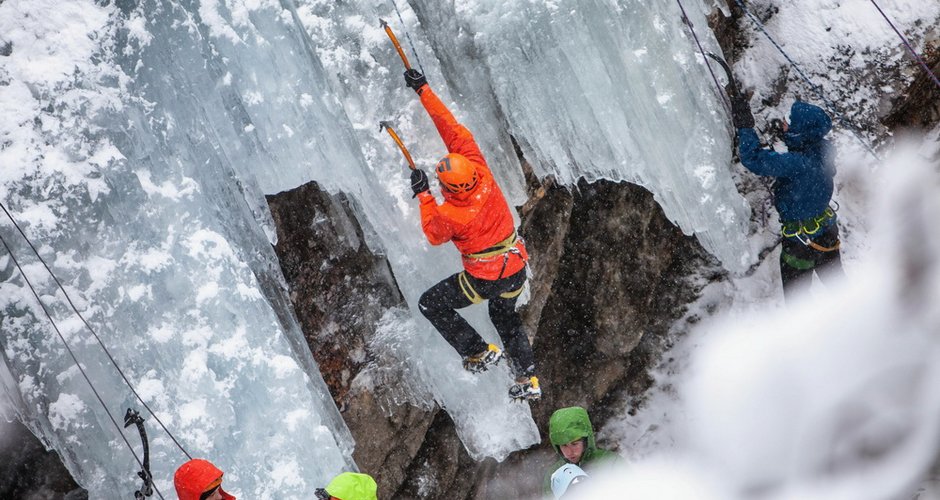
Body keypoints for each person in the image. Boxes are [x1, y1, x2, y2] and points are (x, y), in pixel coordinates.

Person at [402, 67, 540, 401]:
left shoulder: (453, 214)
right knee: (503, 313)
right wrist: (424, 90)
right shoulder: (479, 168)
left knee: (431, 304)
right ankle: (529, 378)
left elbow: (434, 234)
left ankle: (477, 349)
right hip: (515, 269)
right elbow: (449, 126)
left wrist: (423, 195)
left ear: (449, 187)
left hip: (485, 278)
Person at [730, 93, 845, 300]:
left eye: (787, 122)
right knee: (840, 289)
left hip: (801, 242)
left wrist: (745, 127)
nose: (783, 123)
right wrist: (788, 136)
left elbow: (753, 159)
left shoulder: (799, 163)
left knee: (798, 302)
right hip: (826, 233)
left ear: (799, 132)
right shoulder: (821, 150)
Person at [543, 406, 620, 493]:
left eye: (574, 444)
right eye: (564, 445)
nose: (569, 452)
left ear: (586, 441)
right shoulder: (554, 474)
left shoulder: (611, 463)